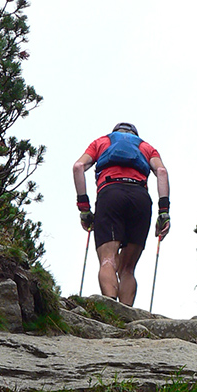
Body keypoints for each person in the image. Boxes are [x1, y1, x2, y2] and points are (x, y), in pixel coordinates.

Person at [72, 122, 170, 306]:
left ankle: (111, 308)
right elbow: (162, 172)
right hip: (140, 198)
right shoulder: (146, 147)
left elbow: (78, 167)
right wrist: (164, 212)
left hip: (110, 194)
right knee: (128, 268)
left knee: (108, 260)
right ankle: (127, 314)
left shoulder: (101, 142)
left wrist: (84, 208)